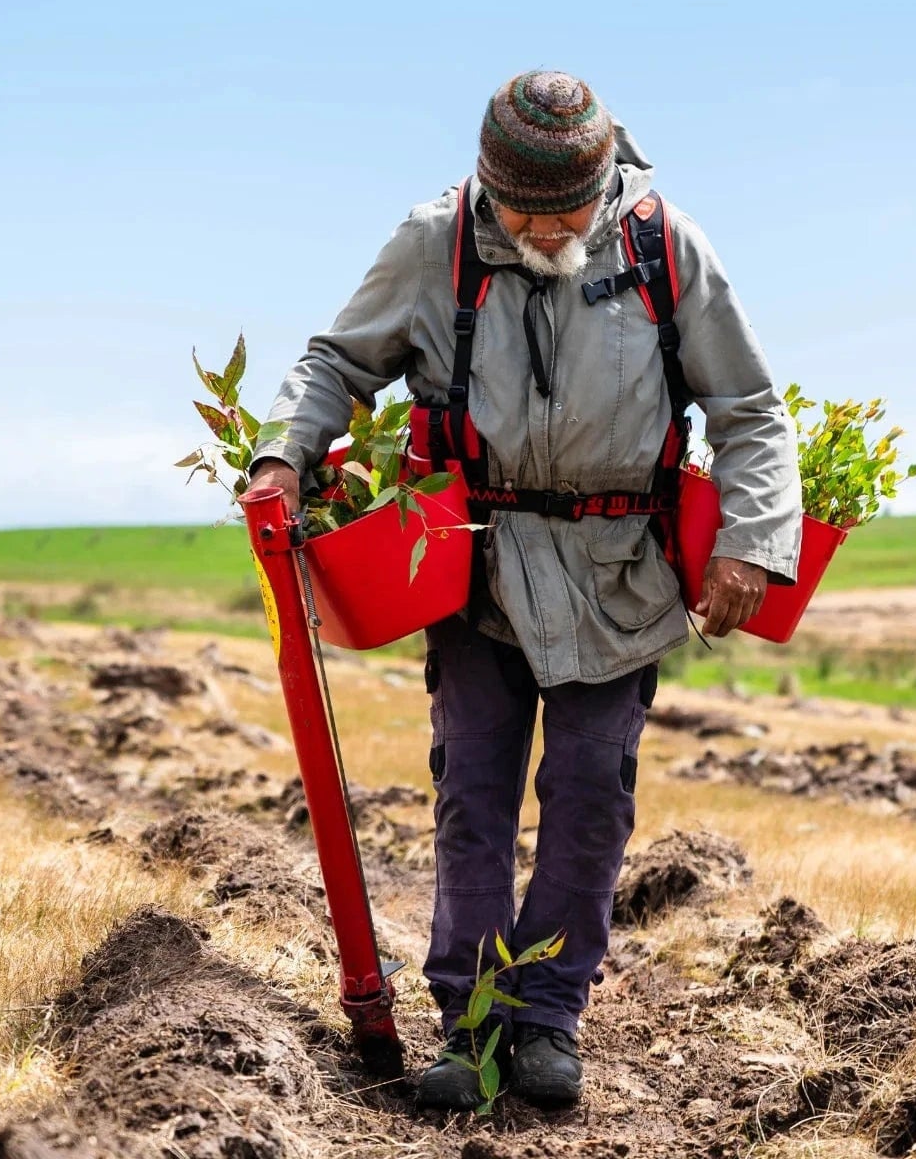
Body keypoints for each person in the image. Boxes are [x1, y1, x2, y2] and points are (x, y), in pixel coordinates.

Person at [246, 71, 801, 1109]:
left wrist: (752, 541)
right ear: (488, 183)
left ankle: (545, 1020)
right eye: (525, 211)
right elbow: (336, 362)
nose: (547, 228)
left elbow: (750, 408)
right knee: (473, 805)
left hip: (617, 575)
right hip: (474, 567)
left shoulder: (663, 245)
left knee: (592, 802)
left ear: (604, 182)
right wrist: (283, 457)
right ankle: (467, 1027)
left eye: (567, 210)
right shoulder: (432, 242)